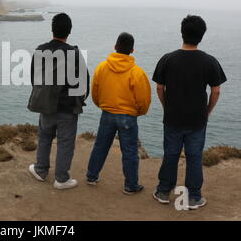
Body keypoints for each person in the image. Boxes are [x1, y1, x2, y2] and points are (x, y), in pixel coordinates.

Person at [152, 15, 227, 210]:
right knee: (194, 156)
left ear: (182, 33)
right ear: (201, 35)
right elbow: (216, 90)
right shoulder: (210, 61)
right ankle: (194, 197)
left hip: (173, 117)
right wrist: (207, 111)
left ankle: (163, 191)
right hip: (197, 119)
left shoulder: (167, 59)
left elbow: (160, 88)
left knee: (171, 154)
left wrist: (166, 106)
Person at [27, 13, 89, 190]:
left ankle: (40, 170)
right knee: (65, 143)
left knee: (45, 137)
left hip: (46, 105)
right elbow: (84, 82)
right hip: (67, 108)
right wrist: (79, 100)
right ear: (69, 31)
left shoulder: (40, 50)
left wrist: (43, 95)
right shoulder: (74, 53)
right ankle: (61, 179)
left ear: (52, 29)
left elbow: (34, 78)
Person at [86, 32, 151, 194]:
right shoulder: (137, 72)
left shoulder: (102, 67)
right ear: (132, 50)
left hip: (107, 112)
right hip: (128, 116)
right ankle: (130, 186)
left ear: (115, 47)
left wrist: (101, 104)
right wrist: (139, 112)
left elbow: (95, 91)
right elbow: (143, 99)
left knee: (100, 146)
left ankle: (91, 176)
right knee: (129, 151)